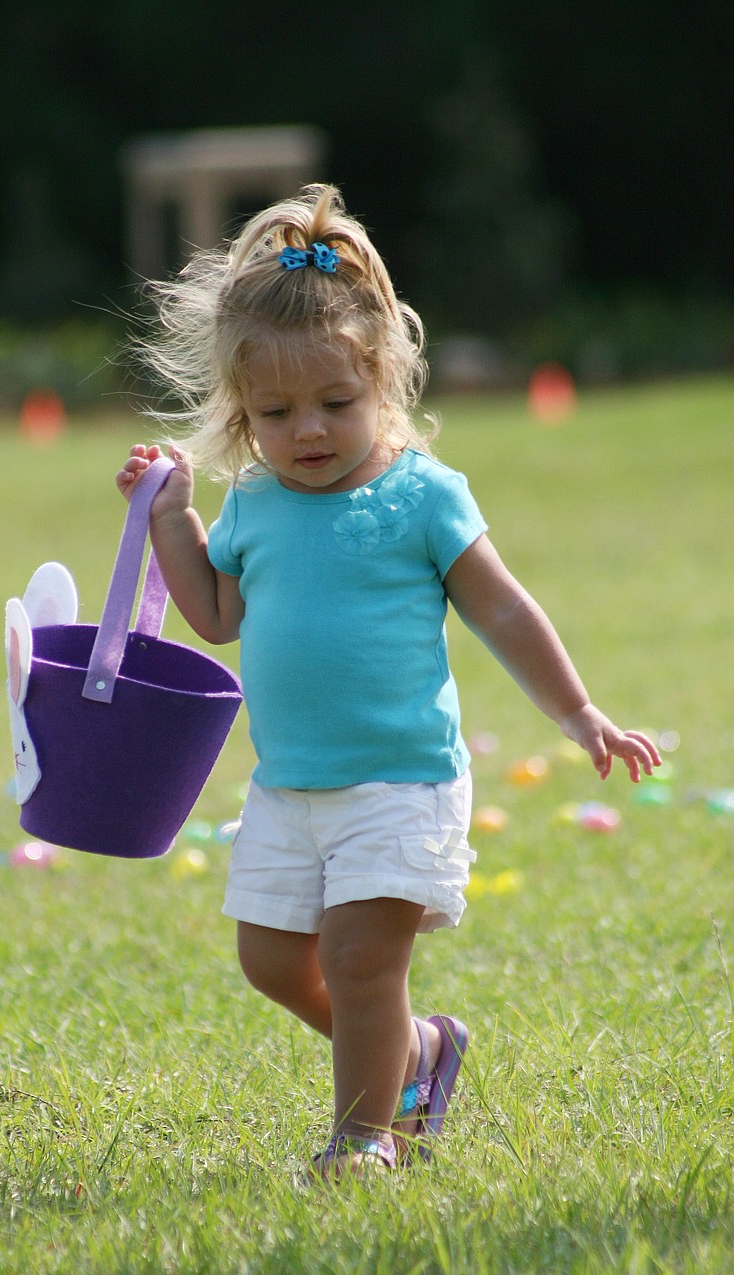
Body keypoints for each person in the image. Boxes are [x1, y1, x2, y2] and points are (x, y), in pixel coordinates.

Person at [117, 185, 660, 1179]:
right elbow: (217, 617)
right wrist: (171, 519)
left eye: (336, 403)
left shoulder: (422, 498)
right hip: (288, 786)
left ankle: (364, 1138)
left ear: (383, 379)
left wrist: (579, 711)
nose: (308, 431)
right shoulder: (256, 503)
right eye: (276, 413)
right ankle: (414, 1054)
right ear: (243, 413)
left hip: (400, 781)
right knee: (269, 961)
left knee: (361, 964)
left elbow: (504, 612)